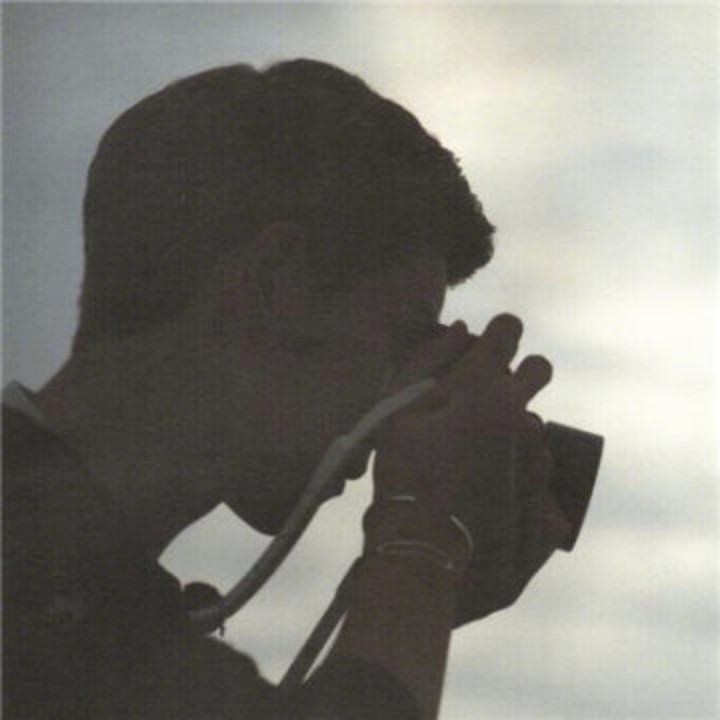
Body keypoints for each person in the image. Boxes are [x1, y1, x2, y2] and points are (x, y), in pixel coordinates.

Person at [3, 59, 568, 719]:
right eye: (403, 341)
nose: (405, 401)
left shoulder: (84, 600)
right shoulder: (39, 579)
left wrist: (419, 599)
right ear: (272, 280)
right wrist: (423, 539)